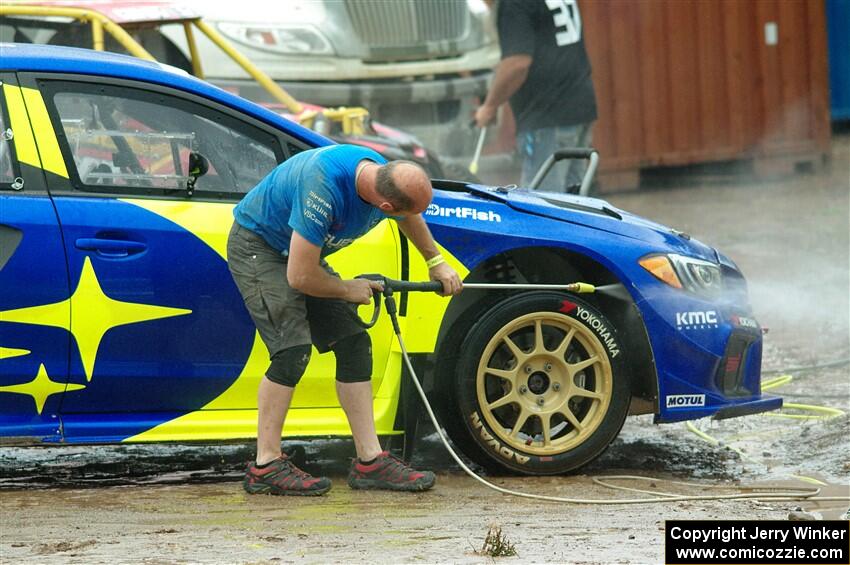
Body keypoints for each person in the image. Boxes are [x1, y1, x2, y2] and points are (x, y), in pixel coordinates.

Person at [227, 144, 462, 496]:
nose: (405, 217)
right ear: (385, 208)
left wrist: (435, 261)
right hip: (260, 248)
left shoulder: (382, 175)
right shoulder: (322, 189)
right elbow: (300, 278)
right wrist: (347, 289)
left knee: (354, 343)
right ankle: (266, 465)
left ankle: (371, 462)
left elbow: (408, 213)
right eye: (398, 212)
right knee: (292, 351)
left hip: (297, 252)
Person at [475, 0, 597, 192]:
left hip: (547, 117)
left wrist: (490, 105)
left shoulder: (514, 4)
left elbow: (517, 64)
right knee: (577, 202)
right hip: (579, 106)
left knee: (542, 206)